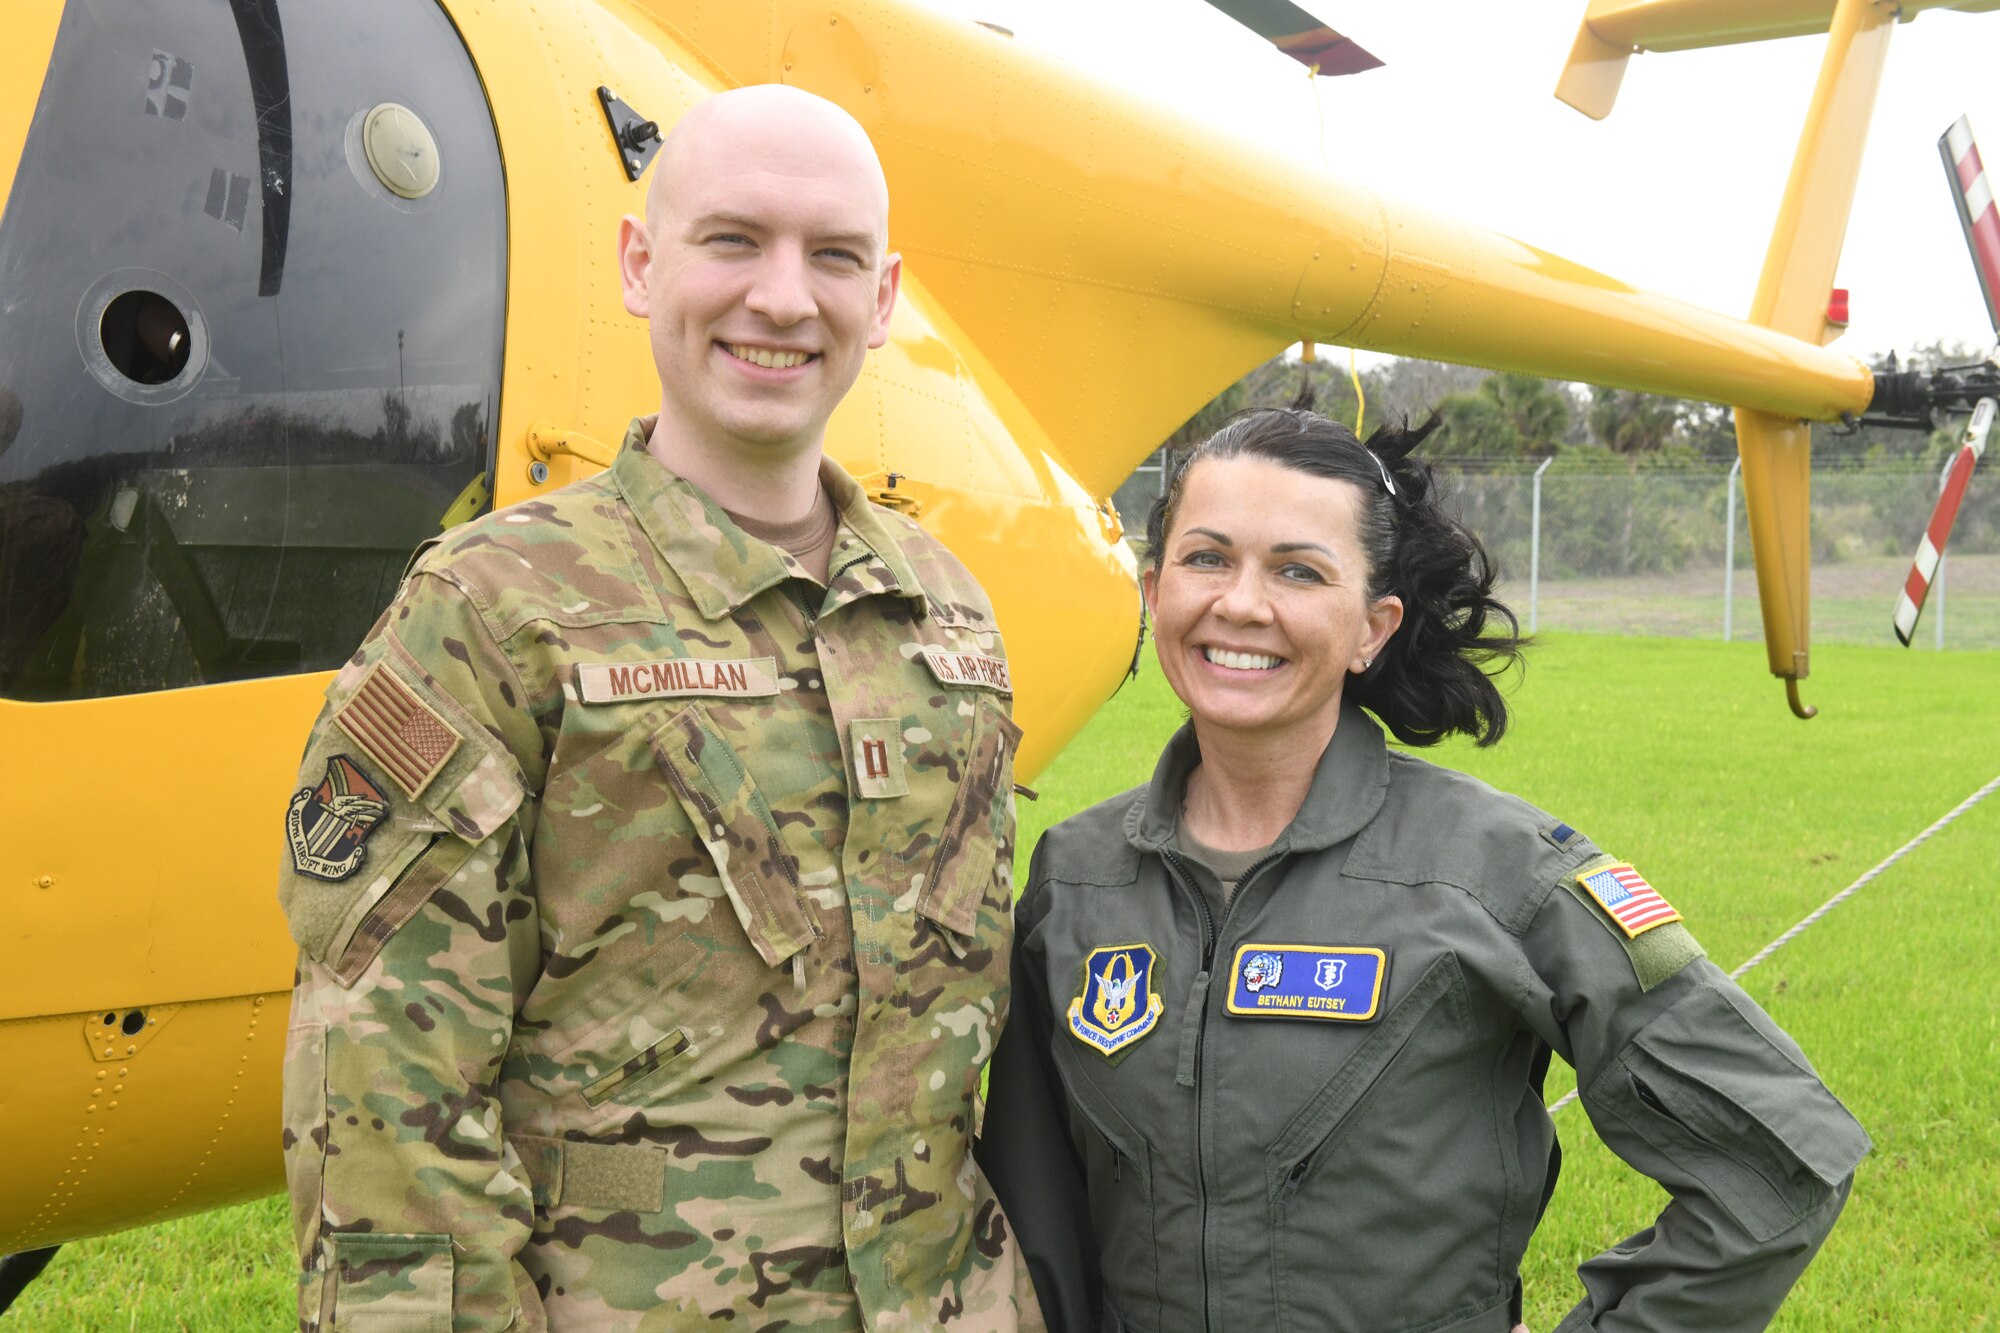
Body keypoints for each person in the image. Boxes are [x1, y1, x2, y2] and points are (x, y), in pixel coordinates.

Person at [278, 84, 1041, 1331]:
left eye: (833, 256)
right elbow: (382, 1090)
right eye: (732, 240)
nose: (784, 298)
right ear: (641, 265)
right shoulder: (490, 608)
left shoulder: (944, 610)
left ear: (884, 298)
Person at [977, 407, 1869, 1333]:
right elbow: (1033, 1221)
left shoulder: (1497, 871)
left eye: (1298, 570)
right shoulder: (1075, 877)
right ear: (1154, 590)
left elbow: (1782, 1157)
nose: (1241, 603)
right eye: (1208, 558)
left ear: (1374, 626)